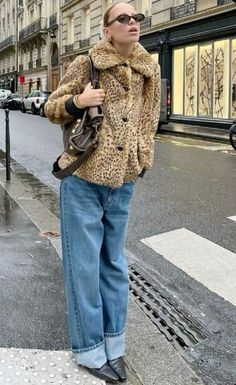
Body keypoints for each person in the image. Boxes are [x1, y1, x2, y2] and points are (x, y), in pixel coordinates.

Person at [45, 1, 160, 382]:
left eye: (136, 17)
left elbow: (149, 119)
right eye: (123, 19)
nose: (133, 23)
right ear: (107, 30)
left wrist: (142, 157)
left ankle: (115, 346)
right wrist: (78, 102)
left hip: (123, 182)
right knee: (84, 268)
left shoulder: (149, 69)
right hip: (84, 180)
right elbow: (51, 107)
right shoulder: (86, 63)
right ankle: (90, 351)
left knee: (114, 266)